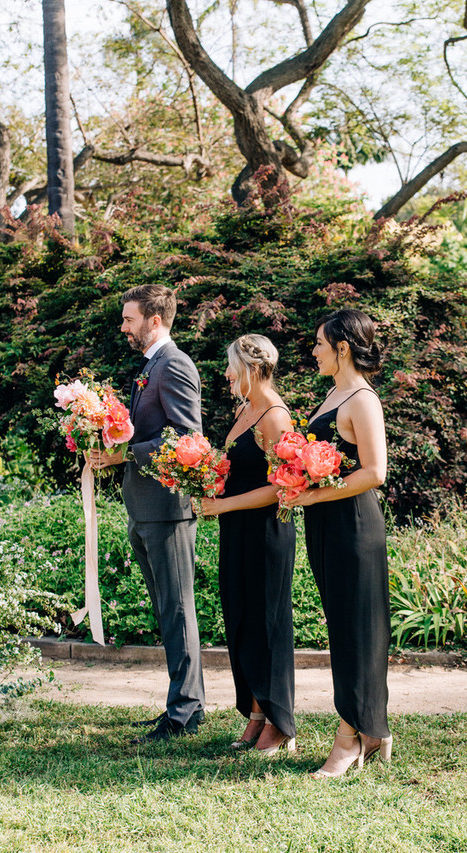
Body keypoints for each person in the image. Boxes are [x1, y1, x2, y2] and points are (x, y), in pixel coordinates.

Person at [88, 283, 205, 743]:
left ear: (154, 320)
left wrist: (125, 455)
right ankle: (182, 702)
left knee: (177, 610)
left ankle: (184, 712)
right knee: (167, 610)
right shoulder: (151, 365)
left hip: (167, 509)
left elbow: (186, 437)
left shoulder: (174, 364)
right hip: (145, 507)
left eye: (129, 318)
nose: (124, 326)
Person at [287, 308, 392, 778]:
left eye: (319, 344)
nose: (313, 350)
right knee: (343, 628)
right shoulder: (334, 392)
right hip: (325, 523)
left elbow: (374, 472)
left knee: (355, 632)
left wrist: (314, 491)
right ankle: (374, 731)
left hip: (353, 526)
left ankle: (349, 739)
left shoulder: (363, 400)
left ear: (342, 348)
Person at [200, 334, 297, 754]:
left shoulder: (275, 417)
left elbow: (282, 488)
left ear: (252, 369)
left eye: (231, 368)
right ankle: (256, 714)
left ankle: (279, 723)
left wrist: (221, 506)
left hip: (266, 530)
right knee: (240, 617)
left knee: (268, 623)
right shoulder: (243, 410)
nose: (226, 375)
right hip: (236, 528)